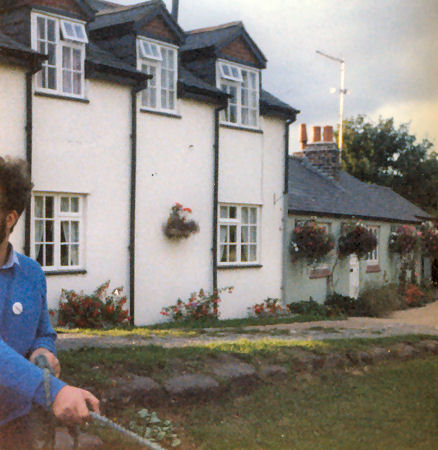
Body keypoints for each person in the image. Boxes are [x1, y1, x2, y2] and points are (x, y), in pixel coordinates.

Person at [0, 156, 100, 449]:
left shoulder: (31, 273)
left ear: (10, 217)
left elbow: (43, 331)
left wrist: (43, 350)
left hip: (15, 425)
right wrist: (55, 392)